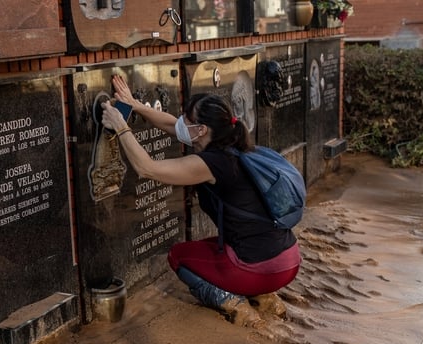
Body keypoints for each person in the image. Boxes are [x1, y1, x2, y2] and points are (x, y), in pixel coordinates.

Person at [101, 75, 301, 327]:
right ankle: (265, 299)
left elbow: (147, 169)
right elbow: (173, 126)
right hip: (288, 258)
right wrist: (134, 105)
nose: (181, 121)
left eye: (187, 118)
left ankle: (236, 305)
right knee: (215, 247)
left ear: (202, 130)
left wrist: (120, 126)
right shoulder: (233, 146)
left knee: (179, 256)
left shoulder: (213, 163)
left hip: (262, 268)